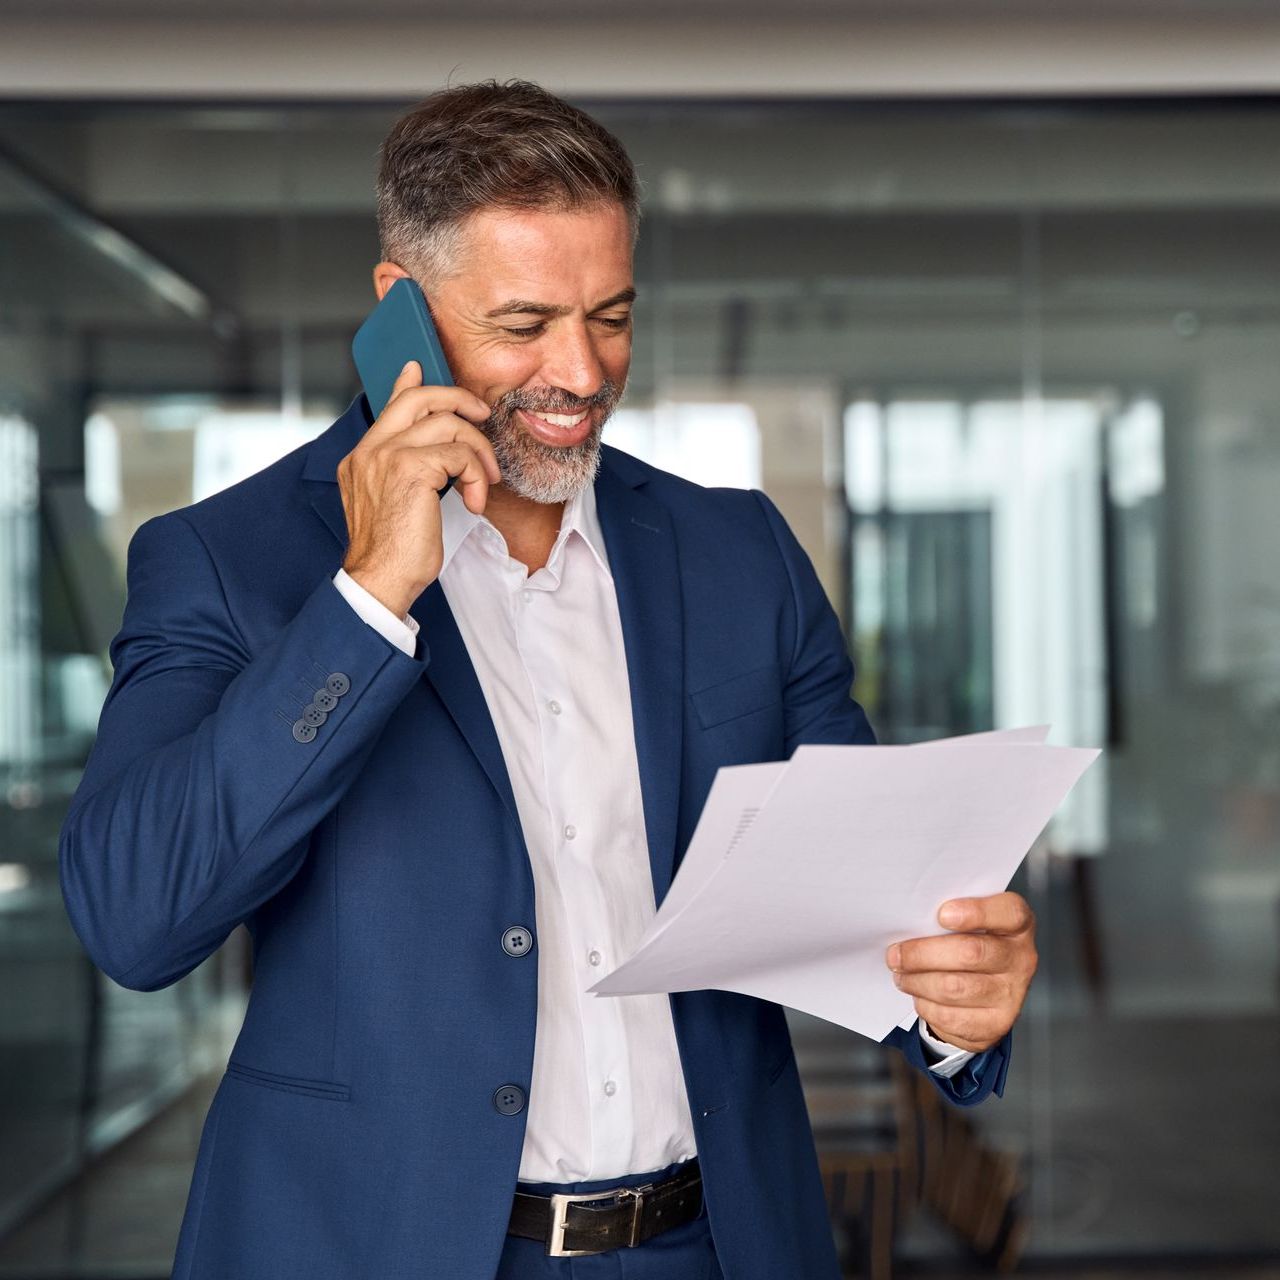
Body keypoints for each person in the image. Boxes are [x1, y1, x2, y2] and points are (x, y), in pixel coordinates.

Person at [58, 80, 1037, 1280]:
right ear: (399, 309)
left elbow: (864, 901)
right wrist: (365, 600)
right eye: (523, 323)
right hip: (379, 1247)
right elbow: (136, 912)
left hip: (715, 1243)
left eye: (612, 314)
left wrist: (951, 1003)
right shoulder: (229, 562)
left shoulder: (739, 553)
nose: (580, 373)